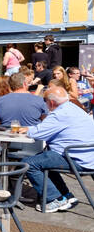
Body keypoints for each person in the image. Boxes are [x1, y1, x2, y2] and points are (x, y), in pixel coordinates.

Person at [18, 83, 94, 211]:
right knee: (45, 158)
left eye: (45, 100)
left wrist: (26, 129)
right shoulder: (73, 108)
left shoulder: (59, 114)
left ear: (51, 102)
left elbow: (38, 133)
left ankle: (54, 199)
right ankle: (65, 195)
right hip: (87, 156)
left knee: (28, 164)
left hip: (77, 159)